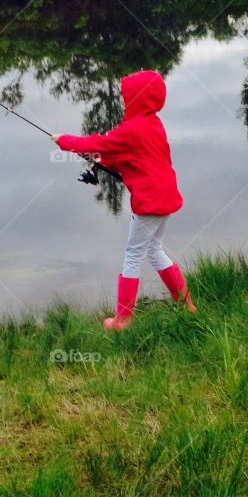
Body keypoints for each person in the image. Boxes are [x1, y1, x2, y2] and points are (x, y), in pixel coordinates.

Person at [52, 69, 195, 329]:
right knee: (154, 249)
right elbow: (130, 154)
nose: (123, 98)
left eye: (126, 95)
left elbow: (96, 142)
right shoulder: (153, 124)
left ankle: (123, 319)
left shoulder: (129, 130)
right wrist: (102, 162)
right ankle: (186, 305)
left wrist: (64, 141)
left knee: (133, 254)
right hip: (166, 197)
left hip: (149, 202)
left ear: (136, 98)